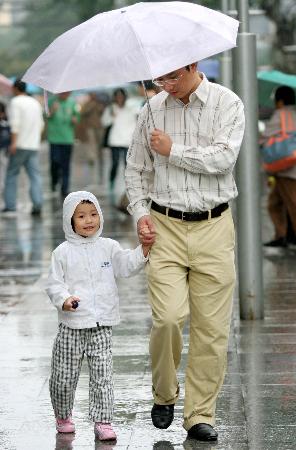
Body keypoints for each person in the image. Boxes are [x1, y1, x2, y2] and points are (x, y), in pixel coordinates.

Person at [125, 63, 245, 442]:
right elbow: (135, 170)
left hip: (214, 225)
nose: (166, 86)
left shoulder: (227, 103)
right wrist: (141, 215)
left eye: (172, 77)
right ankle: (164, 392)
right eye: (160, 79)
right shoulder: (151, 109)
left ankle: (199, 414)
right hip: (166, 226)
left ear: (193, 66)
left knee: (211, 330)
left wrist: (173, 150)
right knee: (167, 318)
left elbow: (223, 158)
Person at [45, 190, 153, 441]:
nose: (89, 220)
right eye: (81, 216)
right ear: (70, 221)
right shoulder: (62, 252)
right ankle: (63, 416)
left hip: (102, 324)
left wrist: (144, 249)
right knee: (63, 376)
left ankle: (103, 421)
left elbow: (126, 265)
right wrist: (65, 299)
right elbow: (54, 284)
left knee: (102, 376)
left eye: (93, 214)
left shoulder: (109, 247)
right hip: (72, 325)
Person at [1, 79, 44, 216]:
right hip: (33, 145)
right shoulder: (35, 103)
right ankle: (37, 204)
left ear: (15, 89)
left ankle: (10, 205)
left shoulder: (15, 102)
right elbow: (41, 125)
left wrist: (13, 143)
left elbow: (15, 125)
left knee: (12, 174)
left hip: (19, 145)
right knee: (35, 176)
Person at [260, 85, 296, 247]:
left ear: (280, 101)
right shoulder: (294, 112)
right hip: (286, 168)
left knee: (292, 204)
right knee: (275, 203)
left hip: (287, 169)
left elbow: (265, 136)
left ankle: (285, 236)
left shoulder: (281, 114)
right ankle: (282, 235)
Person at [101, 88, 139, 192]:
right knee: (115, 163)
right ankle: (111, 182)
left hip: (127, 141)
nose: (119, 98)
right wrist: (111, 117)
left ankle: (128, 184)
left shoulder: (131, 108)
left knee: (127, 164)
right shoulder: (111, 108)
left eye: (121, 96)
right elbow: (104, 122)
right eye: (117, 96)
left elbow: (137, 120)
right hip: (115, 141)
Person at [46, 92, 80, 199]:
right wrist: (51, 111)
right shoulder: (51, 101)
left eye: (68, 93)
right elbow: (46, 116)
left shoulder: (73, 102)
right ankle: (54, 180)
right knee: (55, 161)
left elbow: (77, 117)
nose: (66, 94)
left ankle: (65, 188)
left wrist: (75, 120)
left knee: (65, 164)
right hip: (54, 138)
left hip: (67, 138)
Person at [78, 92, 105, 168]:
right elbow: (82, 113)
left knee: (99, 143)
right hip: (90, 127)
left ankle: (100, 156)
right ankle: (91, 158)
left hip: (99, 126)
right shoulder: (87, 104)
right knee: (91, 142)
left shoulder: (99, 103)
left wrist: (100, 107)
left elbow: (102, 112)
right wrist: (91, 106)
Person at [0, 102, 10, 194]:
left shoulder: (5, 125)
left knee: (3, 170)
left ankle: (2, 188)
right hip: (4, 151)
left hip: (3, 151)